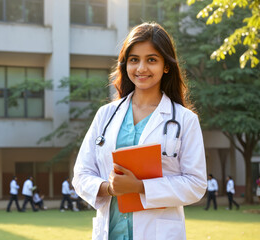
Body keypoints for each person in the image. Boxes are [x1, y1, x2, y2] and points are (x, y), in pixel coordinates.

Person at [72, 22, 207, 240]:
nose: (141, 68)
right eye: (134, 59)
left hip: (158, 233)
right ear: (125, 65)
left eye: (151, 60)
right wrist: (110, 188)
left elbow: (196, 184)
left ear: (166, 66)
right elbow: (81, 175)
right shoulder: (106, 115)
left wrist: (140, 187)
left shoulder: (184, 120)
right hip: (111, 231)